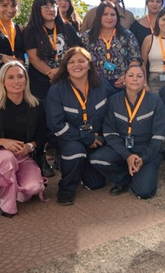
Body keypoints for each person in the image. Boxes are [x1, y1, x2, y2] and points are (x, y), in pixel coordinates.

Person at [0, 62, 46, 217]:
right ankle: (7, 202)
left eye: (20, 76)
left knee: (33, 188)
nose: (16, 81)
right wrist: (2, 142)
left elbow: (43, 134)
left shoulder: (36, 105)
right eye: (10, 77)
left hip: (25, 156)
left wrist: (31, 146)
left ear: (26, 80)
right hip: (0, 157)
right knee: (7, 158)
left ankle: (17, 183)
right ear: (2, 81)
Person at [45, 47, 115, 206]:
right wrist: (86, 137)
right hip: (68, 139)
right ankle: (66, 189)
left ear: (89, 65)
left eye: (81, 61)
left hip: (96, 139)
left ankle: (81, 166)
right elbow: (56, 125)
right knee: (75, 151)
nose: (76, 65)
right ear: (65, 66)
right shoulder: (56, 90)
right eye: (71, 62)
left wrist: (102, 136)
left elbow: (113, 111)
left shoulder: (102, 85)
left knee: (96, 184)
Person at [92, 65, 165, 199]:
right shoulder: (113, 101)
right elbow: (110, 133)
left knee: (144, 192)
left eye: (139, 76)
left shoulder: (156, 101)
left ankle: (140, 171)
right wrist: (127, 156)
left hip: (145, 151)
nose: (135, 79)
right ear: (124, 80)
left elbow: (158, 136)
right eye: (131, 76)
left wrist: (144, 158)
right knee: (97, 159)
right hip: (122, 149)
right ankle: (123, 178)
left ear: (144, 81)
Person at [24, 0, 81, 100]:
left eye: (53, 6)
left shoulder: (67, 27)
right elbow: (33, 58)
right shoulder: (31, 30)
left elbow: (78, 50)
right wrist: (52, 74)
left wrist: (61, 70)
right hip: (41, 82)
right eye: (46, 7)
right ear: (37, 9)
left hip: (67, 78)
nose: (51, 9)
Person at [81, 1, 141, 88]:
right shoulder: (87, 36)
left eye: (113, 15)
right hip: (95, 83)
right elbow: (80, 59)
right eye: (105, 14)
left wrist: (126, 76)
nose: (109, 18)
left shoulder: (127, 35)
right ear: (98, 16)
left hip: (121, 83)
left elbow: (135, 59)